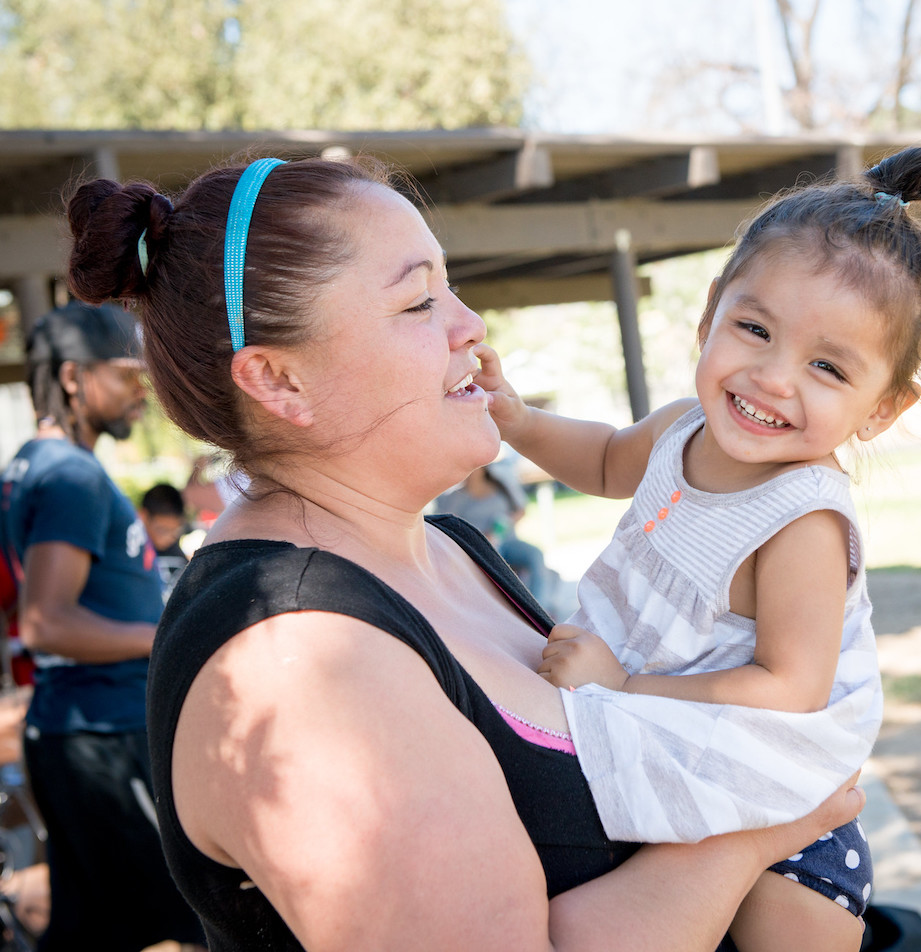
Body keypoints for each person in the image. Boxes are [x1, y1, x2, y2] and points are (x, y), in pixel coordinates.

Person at [63, 155, 864, 952]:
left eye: (448, 284)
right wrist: (760, 828)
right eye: (417, 301)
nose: (469, 324)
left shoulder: (449, 548)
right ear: (279, 380)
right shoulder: (302, 660)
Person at [477, 145, 921, 952]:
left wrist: (624, 684)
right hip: (659, 739)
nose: (773, 377)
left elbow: (789, 688)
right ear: (709, 315)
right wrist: (520, 423)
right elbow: (603, 458)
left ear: (881, 408)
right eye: (753, 329)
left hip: (777, 798)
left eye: (825, 367)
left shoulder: (800, 522)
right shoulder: (682, 429)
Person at [0, 302, 206, 951]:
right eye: (126, 374)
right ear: (71, 378)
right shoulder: (70, 476)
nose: (141, 391)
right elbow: (46, 622)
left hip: (76, 733)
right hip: (102, 738)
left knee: (91, 929)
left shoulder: (33, 465)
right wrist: (171, 632)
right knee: (189, 921)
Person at [435, 459, 551, 604]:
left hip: (509, 542)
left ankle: (539, 606)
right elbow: (446, 524)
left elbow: (520, 510)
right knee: (495, 558)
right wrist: (482, 537)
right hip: (481, 547)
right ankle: (508, 607)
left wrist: (501, 525)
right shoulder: (456, 497)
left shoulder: (501, 486)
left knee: (535, 554)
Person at [139, 482, 190, 602]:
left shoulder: (178, 555)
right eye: (162, 530)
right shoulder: (134, 551)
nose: (169, 537)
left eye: (175, 530)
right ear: (143, 516)